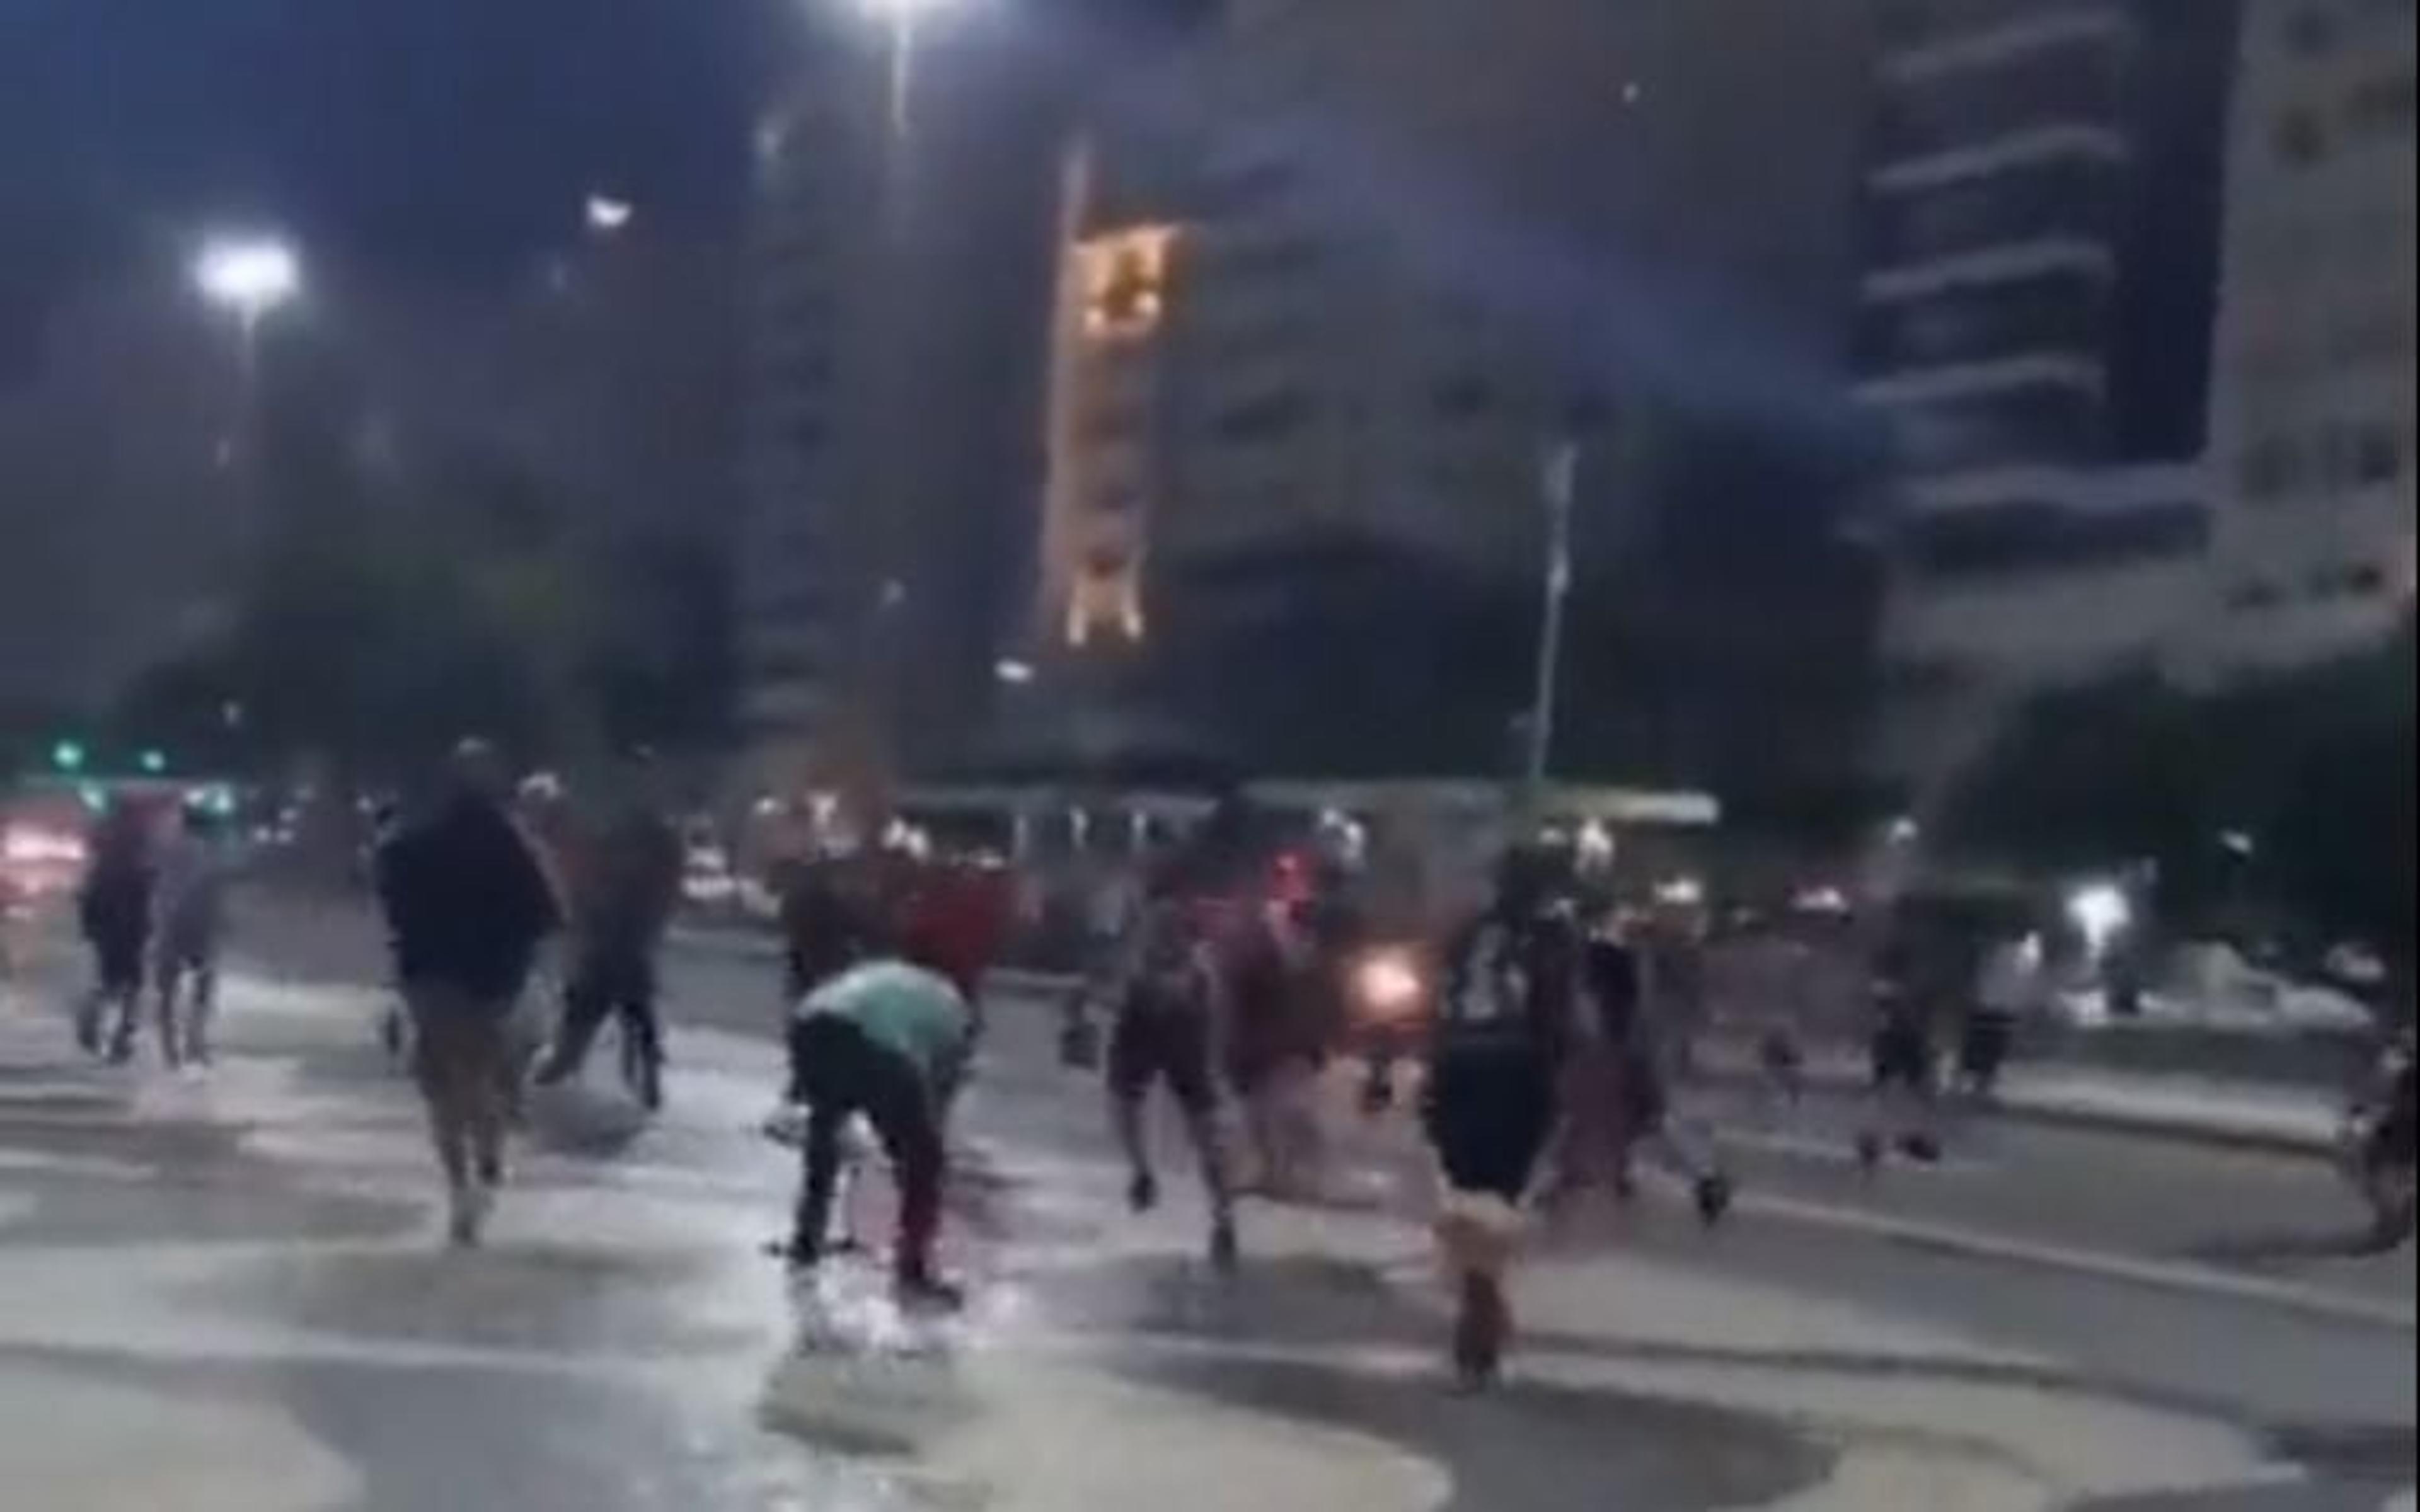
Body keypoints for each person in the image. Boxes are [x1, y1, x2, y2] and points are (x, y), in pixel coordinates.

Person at [374, 740, 561, 1246]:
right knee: (480, 1076)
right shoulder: (511, 842)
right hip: (492, 979)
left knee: (441, 1088)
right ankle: (487, 1164)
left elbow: (391, 890)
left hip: (432, 977)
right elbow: (548, 914)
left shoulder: (416, 840)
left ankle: (460, 1184)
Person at [1422, 845, 1580, 1389]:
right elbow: (1562, 1020)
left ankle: (1480, 1312)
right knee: (1494, 1205)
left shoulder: (1470, 935)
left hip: (1463, 1068)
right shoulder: (1553, 940)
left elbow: (1436, 1006)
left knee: (1470, 1204)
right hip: (1514, 1073)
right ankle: (1481, 1316)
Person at [777, 957, 974, 1309]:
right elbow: (939, 1083)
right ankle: (912, 1267)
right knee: (925, 1161)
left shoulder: (885, 975)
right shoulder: (955, 1014)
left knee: (826, 1134)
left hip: (809, 1025)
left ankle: (806, 1242)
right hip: (871, 1040)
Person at [1107, 887, 1240, 1271]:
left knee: (1130, 1104)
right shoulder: (1193, 966)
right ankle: (1220, 1211)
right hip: (1168, 1037)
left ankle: (1147, 1174)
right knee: (1202, 1129)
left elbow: (1108, 989)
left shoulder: (1179, 967)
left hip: (1165, 1035)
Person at [535, 785, 683, 1108]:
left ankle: (642, 1080)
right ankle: (644, 1082)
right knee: (624, 1021)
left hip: (617, 944)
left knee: (604, 1022)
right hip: (616, 944)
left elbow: (660, 889)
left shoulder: (645, 837)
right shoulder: (638, 836)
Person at [151, 804, 234, 1069]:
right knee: (202, 988)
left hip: (169, 927)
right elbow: (215, 893)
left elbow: (154, 886)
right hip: (199, 929)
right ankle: (194, 1042)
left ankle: (169, 1049)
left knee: (167, 991)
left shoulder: (166, 850)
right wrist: (223, 924)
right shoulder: (210, 855)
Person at [75, 801, 156, 1063]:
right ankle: (119, 1035)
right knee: (129, 985)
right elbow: (148, 897)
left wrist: (88, 926)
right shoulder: (138, 865)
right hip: (130, 930)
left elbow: (88, 897)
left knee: (110, 981)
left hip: (109, 929)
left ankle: (97, 1025)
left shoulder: (105, 862)